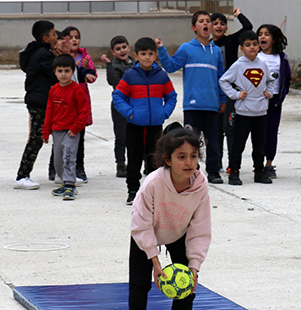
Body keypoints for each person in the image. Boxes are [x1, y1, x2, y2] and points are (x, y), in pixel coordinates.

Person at [129, 123, 211, 309]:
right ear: (168, 160)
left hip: (178, 232)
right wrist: (154, 259)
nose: (189, 162)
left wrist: (194, 266)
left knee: (187, 287)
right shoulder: (153, 183)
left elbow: (200, 228)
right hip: (146, 233)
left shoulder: (200, 185)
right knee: (139, 286)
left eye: (193, 156)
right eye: (181, 157)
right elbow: (141, 223)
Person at [156, 10, 226, 184]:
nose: (205, 24)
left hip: (212, 105)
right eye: (201, 21)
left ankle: (213, 171)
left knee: (213, 142)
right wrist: (161, 50)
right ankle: (192, 170)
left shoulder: (216, 51)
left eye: (208, 21)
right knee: (190, 142)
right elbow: (171, 66)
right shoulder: (186, 48)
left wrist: (222, 99)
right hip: (193, 106)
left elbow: (221, 77)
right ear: (194, 27)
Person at [113, 37, 177, 205]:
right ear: (136, 56)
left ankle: (154, 191)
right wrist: (130, 113)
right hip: (134, 125)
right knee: (133, 158)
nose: (147, 57)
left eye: (150, 54)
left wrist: (164, 112)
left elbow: (171, 96)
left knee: (155, 159)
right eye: (143, 54)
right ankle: (133, 190)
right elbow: (118, 96)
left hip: (155, 124)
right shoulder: (130, 75)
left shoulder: (161, 76)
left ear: (155, 55)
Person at [218, 31, 275, 185]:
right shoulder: (238, 65)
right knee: (238, 145)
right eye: (248, 45)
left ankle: (259, 172)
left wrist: (269, 92)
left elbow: (271, 81)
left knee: (259, 146)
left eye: (255, 44)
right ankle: (234, 173)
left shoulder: (262, 64)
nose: (252, 48)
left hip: (261, 112)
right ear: (242, 48)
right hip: (243, 113)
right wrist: (235, 94)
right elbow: (223, 81)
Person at [48, 26, 96, 184]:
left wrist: (88, 72)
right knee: (59, 144)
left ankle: (78, 169)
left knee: (78, 139)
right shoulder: (59, 59)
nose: (73, 40)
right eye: (69, 38)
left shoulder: (84, 58)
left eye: (77, 37)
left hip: (78, 105)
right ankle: (55, 169)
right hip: (62, 107)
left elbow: (91, 73)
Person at [14, 20, 58, 190]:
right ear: (46, 38)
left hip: (38, 100)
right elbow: (55, 74)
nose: (56, 37)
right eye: (54, 34)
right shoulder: (44, 55)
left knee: (47, 137)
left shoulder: (36, 51)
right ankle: (22, 176)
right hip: (40, 102)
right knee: (36, 139)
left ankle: (61, 172)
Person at [41, 54, 90, 200]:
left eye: (67, 71)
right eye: (60, 71)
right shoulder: (53, 90)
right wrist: (45, 131)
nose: (63, 74)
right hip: (57, 130)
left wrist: (76, 127)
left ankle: (70, 184)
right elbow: (49, 111)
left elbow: (84, 111)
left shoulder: (76, 90)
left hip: (71, 132)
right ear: (55, 72)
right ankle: (64, 181)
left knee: (68, 157)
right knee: (58, 160)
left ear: (73, 72)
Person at [211, 8, 252, 170]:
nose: (219, 26)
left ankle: (231, 162)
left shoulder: (231, 40)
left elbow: (248, 27)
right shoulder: (207, 46)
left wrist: (238, 15)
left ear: (226, 28)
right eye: (215, 24)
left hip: (231, 90)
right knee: (216, 130)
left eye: (222, 24)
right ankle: (217, 161)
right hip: (213, 91)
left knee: (230, 127)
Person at [257, 24, 291, 179]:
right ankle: (257, 163)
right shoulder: (255, 57)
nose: (262, 37)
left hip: (274, 100)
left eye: (267, 34)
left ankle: (269, 163)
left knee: (271, 132)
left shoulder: (281, 58)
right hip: (256, 101)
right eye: (260, 34)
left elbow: (286, 79)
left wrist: (281, 97)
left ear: (275, 39)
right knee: (257, 133)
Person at [101, 35, 134, 178]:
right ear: (113, 52)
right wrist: (108, 64)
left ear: (129, 47)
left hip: (135, 104)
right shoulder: (114, 65)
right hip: (120, 105)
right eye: (118, 49)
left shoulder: (135, 63)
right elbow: (113, 81)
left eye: (124, 47)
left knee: (136, 135)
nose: (122, 51)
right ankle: (120, 164)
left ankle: (137, 162)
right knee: (121, 137)